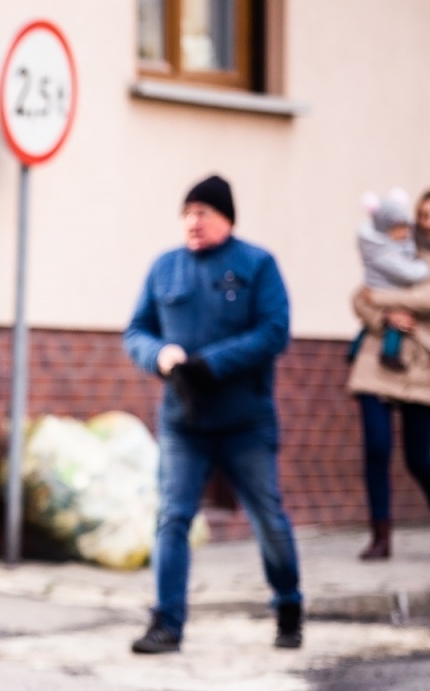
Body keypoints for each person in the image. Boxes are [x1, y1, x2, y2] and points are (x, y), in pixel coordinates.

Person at [124, 175, 301, 654]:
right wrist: (159, 355)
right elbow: (136, 331)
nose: (192, 221)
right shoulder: (165, 268)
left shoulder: (256, 265)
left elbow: (274, 331)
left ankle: (288, 604)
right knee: (173, 518)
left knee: (268, 517)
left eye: (203, 212)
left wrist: (211, 363)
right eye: (187, 212)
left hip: (246, 422)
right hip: (185, 422)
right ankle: (167, 623)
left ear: (227, 218)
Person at [349, 188, 430, 561]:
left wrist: (384, 299)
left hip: (423, 366)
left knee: (418, 458)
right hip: (377, 361)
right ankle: (380, 536)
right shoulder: (395, 246)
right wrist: (384, 316)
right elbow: (359, 297)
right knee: (376, 448)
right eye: (426, 215)